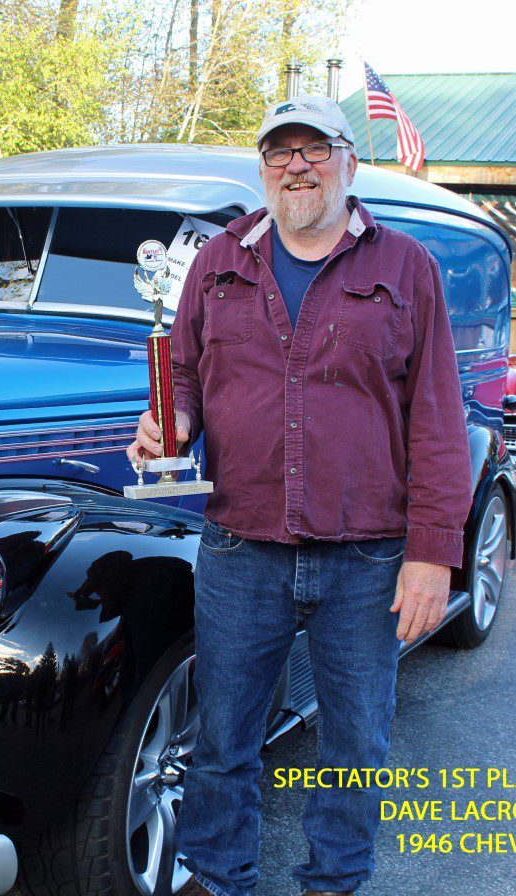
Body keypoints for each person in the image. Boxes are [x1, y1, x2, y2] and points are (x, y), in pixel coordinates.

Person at [127, 95, 471, 895]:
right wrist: (164, 423)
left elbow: (438, 418)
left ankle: (334, 883)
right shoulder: (218, 261)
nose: (297, 166)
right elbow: (181, 372)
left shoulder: (405, 267)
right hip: (240, 550)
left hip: (368, 558)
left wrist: (432, 554)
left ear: (348, 162)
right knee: (222, 743)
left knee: (356, 745)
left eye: (315, 150)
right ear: (263, 168)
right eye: (280, 152)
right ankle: (221, 879)